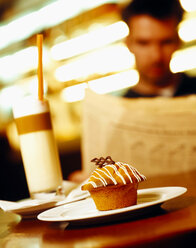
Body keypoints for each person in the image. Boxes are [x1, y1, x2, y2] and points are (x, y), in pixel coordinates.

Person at [122, 0, 196, 98]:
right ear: (128, 43)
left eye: (166, 42)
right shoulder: (122, 109)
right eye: (143, 43)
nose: (156, 56)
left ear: (178, 41)